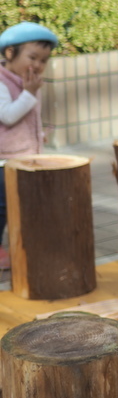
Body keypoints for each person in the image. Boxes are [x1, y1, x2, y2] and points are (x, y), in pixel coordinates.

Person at [0, 22, 59, 270]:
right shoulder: (2, 82)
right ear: (10, 53)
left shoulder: (29, 81)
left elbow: (30, 114)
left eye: (43, 60)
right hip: (4, 160)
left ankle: (24, 245)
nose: (37, 65)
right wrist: (29, 93)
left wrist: (38, 136)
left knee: (25, 204)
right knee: (3, 208)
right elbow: (8, 115)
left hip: (26, 156)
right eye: (32, 57)